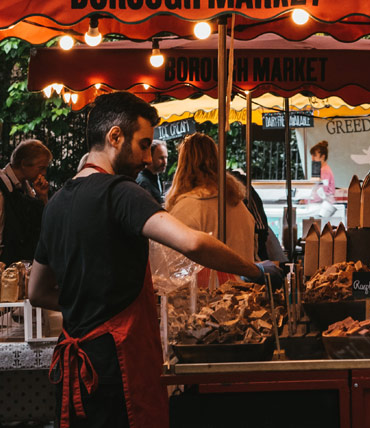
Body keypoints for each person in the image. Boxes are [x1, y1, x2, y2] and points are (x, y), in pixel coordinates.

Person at [27, 92, 277, 428]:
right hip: (119, 369)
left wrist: (84, 304)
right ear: (115, 136)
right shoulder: (121, 193)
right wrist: (254, 269)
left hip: (77, 369)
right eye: (144, 144)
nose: (147, 158)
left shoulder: (56, 202)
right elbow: (192, 242)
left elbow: (38, 291)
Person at [164, 134, 281, 287]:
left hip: (207, 303)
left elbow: (173, 269)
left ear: (182, 164)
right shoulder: (239, 205)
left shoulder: (186, 208)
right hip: (244, 297)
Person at [0, 139, 52, 264]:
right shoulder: (3, 188)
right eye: (41, 168)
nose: (44, 173)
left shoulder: (25, 188)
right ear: (23, 164)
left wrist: (43, 197)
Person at [136, 139, 168, 204]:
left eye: (166, 157)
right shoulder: (144, 183)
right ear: (149, 157)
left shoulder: (154, 178)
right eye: (161, 158)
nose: (165, 162)